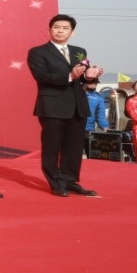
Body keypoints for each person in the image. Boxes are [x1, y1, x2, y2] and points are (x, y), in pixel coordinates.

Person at [27, 13, 101, 197]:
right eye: (57, 27)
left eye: (65, 28)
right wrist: (70, 75)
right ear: (50, 30)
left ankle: (70, 180)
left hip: (77, 105)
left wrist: (89, 76)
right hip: (52, 105)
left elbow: (82, 78)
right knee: (52, 146)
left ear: (72, 32)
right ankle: (56, 182)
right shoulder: (38, 52)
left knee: (74, 147)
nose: (60, 31)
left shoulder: (79, 51)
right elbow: (42, 77)